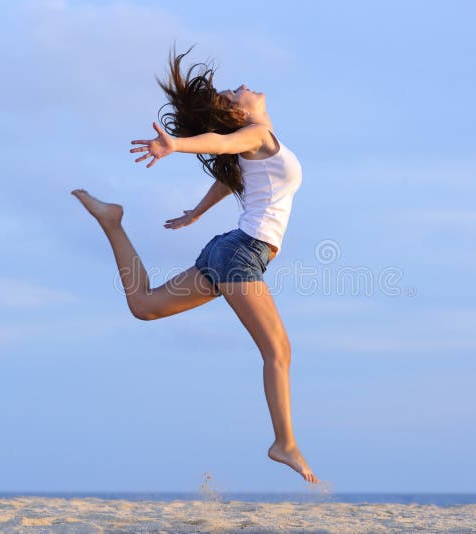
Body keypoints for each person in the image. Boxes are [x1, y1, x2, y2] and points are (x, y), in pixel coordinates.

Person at [71, 44, 317, 484]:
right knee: (278, 351)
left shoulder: (257, 145)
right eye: (234, 93)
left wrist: (198, 212)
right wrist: (176, 146)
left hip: (229, 251)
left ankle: (112, 223)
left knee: (144, 306)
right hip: (241, 254)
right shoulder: (257, 134)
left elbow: (231, 177)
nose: (242, 87)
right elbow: (220, 142)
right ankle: (285, 444)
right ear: (241, 115)